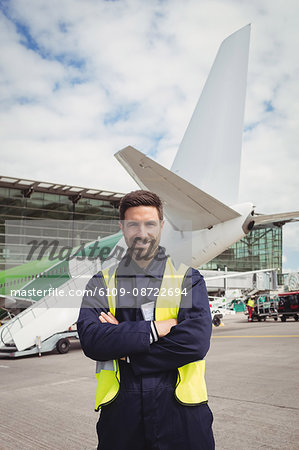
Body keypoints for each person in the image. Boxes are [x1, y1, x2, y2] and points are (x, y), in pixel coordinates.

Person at [77, 190, 215, 450]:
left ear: (161, 226)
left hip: (182, 414)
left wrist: (126, 350)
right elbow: (92, 340)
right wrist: (155, 329)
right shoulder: (101, 282)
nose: (142, 233)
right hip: (122, 418)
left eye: (150, 223)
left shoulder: (188, 278)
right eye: (133, 224)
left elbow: (194, 342)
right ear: (122, 228)